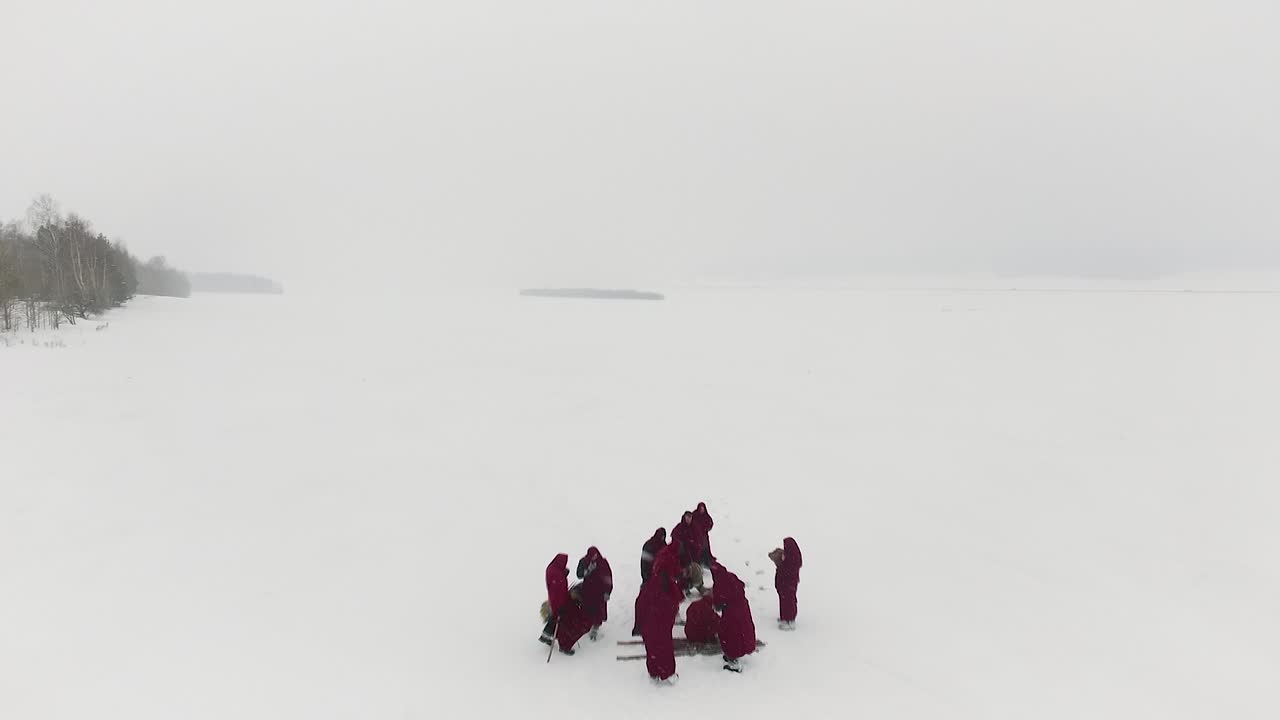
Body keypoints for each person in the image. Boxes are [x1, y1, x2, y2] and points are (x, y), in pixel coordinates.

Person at [637, 543, 683, 683]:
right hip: (659, 622)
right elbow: (671, 603)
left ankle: (654, 671)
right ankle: (667, 673)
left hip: (649, 623)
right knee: (664, 647)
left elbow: (640, 604)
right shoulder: (666, 586)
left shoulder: (652, 583)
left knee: (652, 647)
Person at [711, 562, 757, 672]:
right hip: (742, 608)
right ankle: (739, 651)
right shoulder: (730, 576)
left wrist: (715, 604)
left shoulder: (719, 583)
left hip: (731, 613)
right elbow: (740, 586)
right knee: (743, 631)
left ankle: (734, 661)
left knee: (730, 635)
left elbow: (718, 603)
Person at [576, 546, 613, 639]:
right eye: (592, 556)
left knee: (598, 611)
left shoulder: (603, 562)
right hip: (588, 590)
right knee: (587, 609)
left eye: (595, 555)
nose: (593, 558)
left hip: (599, 592)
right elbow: (579, 574)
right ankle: (586, 625)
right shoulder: (584, 561)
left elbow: (608, 577)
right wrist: (587, 570)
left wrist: (608, 591)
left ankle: (595, 627)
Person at [771, 537, 802, 629]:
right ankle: (784, 618)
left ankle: (789, 620)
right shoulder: (791, 556)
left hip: (787, 584)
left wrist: (781, 565)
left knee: (788, 601)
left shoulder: (792, 559)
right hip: (785, 584)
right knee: (785, 601)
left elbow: (786, 571)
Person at [540, 554, 571, 649]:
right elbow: (559, 589)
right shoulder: (557, 574)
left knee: (555, 618)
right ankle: (559, 640)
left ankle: (546, 635)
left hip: (554, 599)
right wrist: (561, 603)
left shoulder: (552, 569)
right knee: (558, 619)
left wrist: (563, 572)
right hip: (558, 600)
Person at [669, 513, 702, 594]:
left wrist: (694, 544)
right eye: (687, 517)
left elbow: (699, 539)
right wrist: (681, 544)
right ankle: (684, 589)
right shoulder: (680, 527)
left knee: (695, 571)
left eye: (690, 517)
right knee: (684, 572)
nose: (688, 519)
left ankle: (699, 587)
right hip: (682, 554)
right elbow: (674, 536)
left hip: (693, 554)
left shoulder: (694, 527)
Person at [692, 502, 715, 567]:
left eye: (703, 509)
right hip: (695, 535)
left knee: (705, 547)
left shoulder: (706, 516)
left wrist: (706, 528)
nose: (702, 510)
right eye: (700, 508)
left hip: (704, 535)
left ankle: (706, 561)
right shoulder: (694, 515)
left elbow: (710, 523)